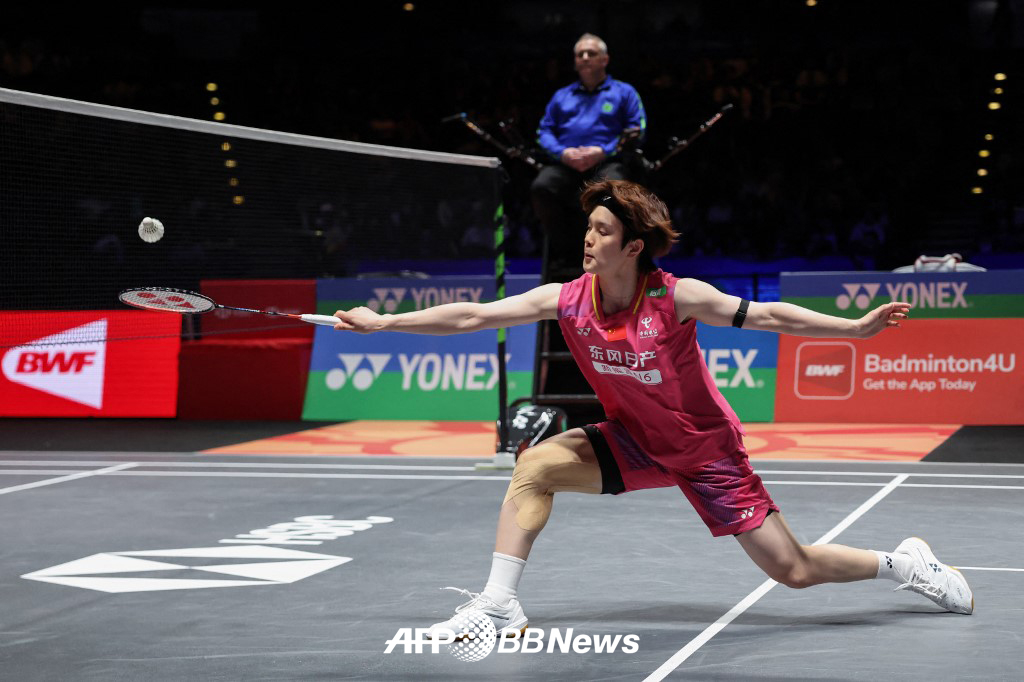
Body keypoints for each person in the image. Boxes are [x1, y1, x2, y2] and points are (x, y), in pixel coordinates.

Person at [331, 179, 973, 639]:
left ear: (634, 246)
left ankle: (905, 563)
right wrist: (383, 323)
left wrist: (855, 329)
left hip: (703, 451)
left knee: (793, 570)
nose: (588, 239)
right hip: (633, 439)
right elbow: (474, 314)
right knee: (535, 466)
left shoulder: (677, 298)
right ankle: (500, 604)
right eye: (588, 227)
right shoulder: (570, 299)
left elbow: (770, 314)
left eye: (602, 231)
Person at [532, 34, 647, 267]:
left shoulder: (624, 92)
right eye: (580, 54)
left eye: (591, 53)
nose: (585, 58)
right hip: (567, 164)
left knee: (613, 188)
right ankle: (569, 255)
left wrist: (602, 151)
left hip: (608, 162)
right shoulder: (561, 96)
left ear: (605, 59)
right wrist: (563, 153)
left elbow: (637, 129)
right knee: (542, 186)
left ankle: (613, 254)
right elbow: (543, 132)